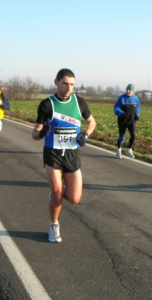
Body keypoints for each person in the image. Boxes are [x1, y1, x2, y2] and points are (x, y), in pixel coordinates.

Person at [32, 68, 96, 243]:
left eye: (72, 85)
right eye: (65, 84)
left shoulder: (80, 103)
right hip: (53, 153)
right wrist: (42, 132)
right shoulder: (47, 104)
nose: (69, 88)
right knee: (58, 195)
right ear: (56, 83)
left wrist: (86, 135)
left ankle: (55, 195)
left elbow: (92, 122)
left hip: (72, 154)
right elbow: (34, 134)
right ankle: (54, 224)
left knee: (74, 198)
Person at [113, 84, 141, 159]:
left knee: (133, 135)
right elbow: (116, 108)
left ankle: (129, 149)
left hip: (131, 120)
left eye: (130, 90)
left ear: (133, 91)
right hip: (122, 120)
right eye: (127, 89)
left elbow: (138, 107)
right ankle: (118, 150)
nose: (128, 91)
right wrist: (122, 113)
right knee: (121, 137)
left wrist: (137, 114)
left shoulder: (136, 98)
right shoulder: (121, 98)